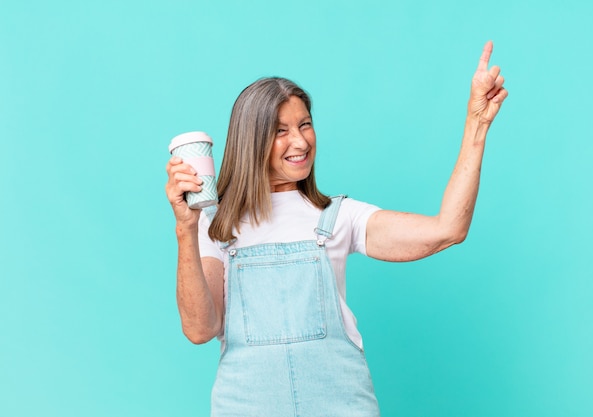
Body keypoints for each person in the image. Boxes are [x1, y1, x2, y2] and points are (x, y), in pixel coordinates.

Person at [165, 41, 507, 416]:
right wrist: (187, 226)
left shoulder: (338, 216)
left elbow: (448, 229)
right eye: (281, 130)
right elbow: (200, 329)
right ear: (251, 141)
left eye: (305, 124)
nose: (300, 141)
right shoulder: (216, 225)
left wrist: (477, 125)